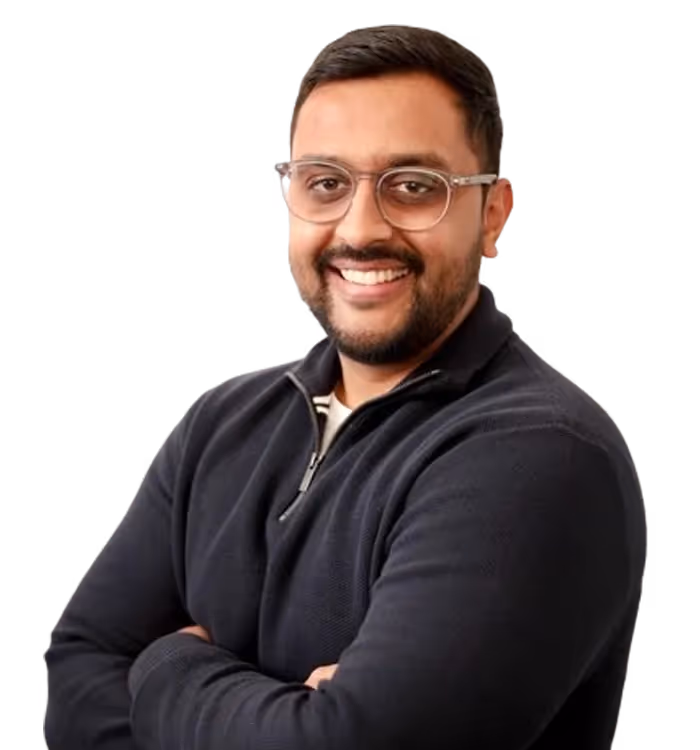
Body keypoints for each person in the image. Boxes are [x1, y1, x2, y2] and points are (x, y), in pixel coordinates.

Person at [47, 24, 648, 749]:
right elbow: (67, 680)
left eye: (415, 186)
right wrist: (279, 719)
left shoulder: (542, 457)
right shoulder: (222, 421)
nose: (360, 229)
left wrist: (168, 668)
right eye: (326, 184)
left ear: (491, 215)